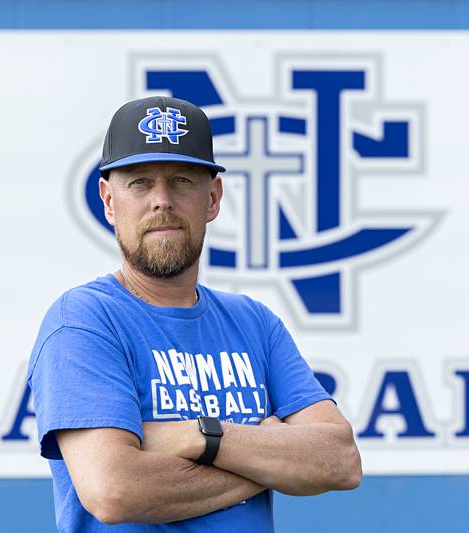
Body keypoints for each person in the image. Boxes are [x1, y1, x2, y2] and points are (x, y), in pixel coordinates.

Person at [27, 96, 362, 532]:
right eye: (140, 183)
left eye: (182, 180)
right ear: (109, 201)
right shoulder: (83, 322)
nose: (162, 201)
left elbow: (340, 460)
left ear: (213, 197)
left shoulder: (253, 323)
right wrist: (266, 457)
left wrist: (198, 436)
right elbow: (114, 490)